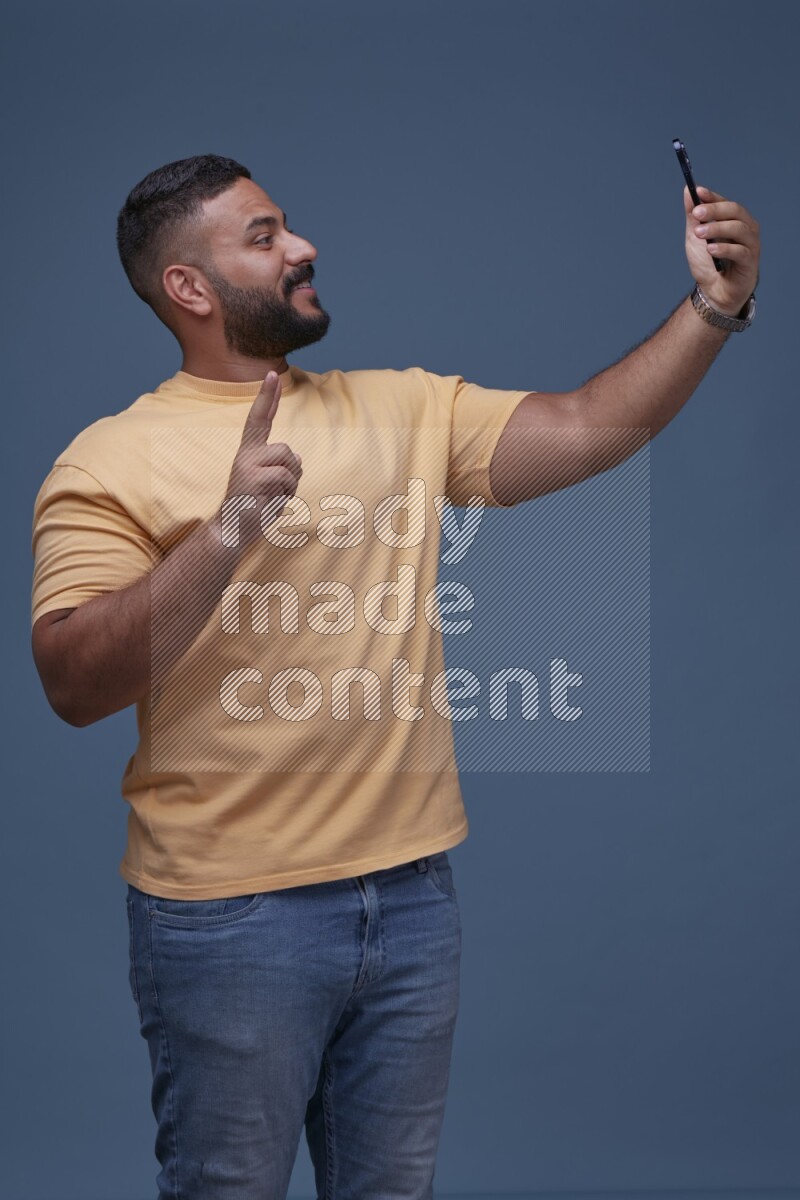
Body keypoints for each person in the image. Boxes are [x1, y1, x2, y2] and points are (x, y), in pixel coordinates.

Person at [30, 154, 760, 1198]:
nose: (302, 246)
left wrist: (711, 307)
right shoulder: (106, 461)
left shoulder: (402, 410)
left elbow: (592, 427)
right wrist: (227, 528)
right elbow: (71, 681)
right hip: (230, 917)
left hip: (411, 900)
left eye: (288, 226)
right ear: (188, 288)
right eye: (264, 235)